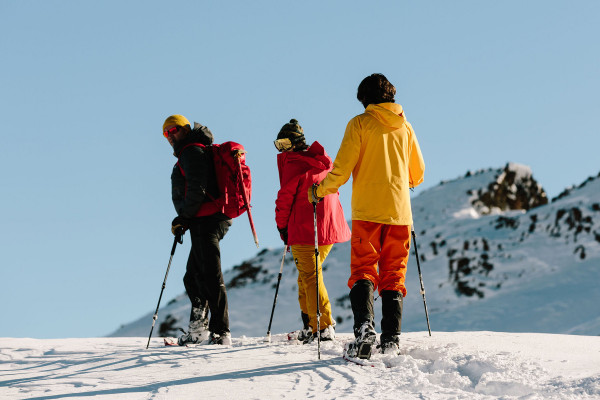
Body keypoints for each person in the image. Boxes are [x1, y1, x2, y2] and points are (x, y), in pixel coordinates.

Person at [308, 74, 425, 358]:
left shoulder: (360, 123)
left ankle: (364, 331)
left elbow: (342, 169)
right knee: (394, 274)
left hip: (368, 211)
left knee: (363, 270)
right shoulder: (406, 127)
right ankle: (391, 339)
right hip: (400, 212)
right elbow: (418, 173)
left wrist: (319, 191)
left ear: (365, 99)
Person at [274, 119, 351, 343]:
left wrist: (282, 227)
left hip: (304, 229)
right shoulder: (322, 162)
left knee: (310, 277)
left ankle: (323, 326)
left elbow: (284, 200)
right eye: (278, 144)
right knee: (306, 276)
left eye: (284, 143)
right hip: (327, 229)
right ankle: (310, 324)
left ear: (296, 142)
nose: (282, 149)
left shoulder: (295, 164)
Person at [163, 114, 233, 346]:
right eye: (166, 133)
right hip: (206, 218)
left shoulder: (192, 151)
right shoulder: (193, 150)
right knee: (193, 276)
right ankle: (199, 328)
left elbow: (197, 187)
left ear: (185, 129)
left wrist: (184, 217)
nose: (170, 135)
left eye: (173, 130)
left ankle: (220, 332)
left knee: (210, 275)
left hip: (207, 219)